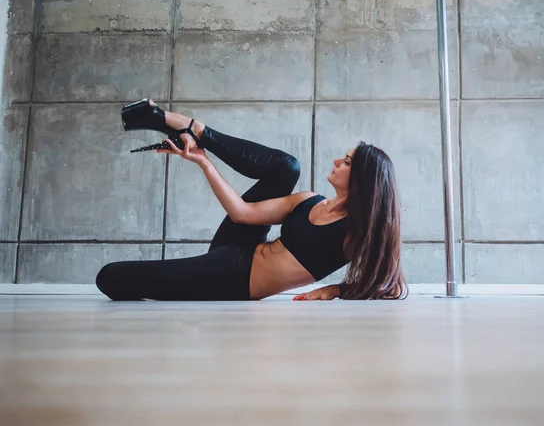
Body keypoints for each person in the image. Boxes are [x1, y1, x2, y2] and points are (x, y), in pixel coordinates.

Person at [96, 99, 408, 301]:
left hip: (234, 278)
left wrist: (335, 289)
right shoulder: (311, 200)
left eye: (349, 162)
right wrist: (203, 161)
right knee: (288, 167)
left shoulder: (355, 232)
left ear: (364, 183)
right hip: (236, 248)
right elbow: (241, 213)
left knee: (110, 277)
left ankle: (188, 127)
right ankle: (192, 127)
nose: (339, 161)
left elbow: (390, 286)